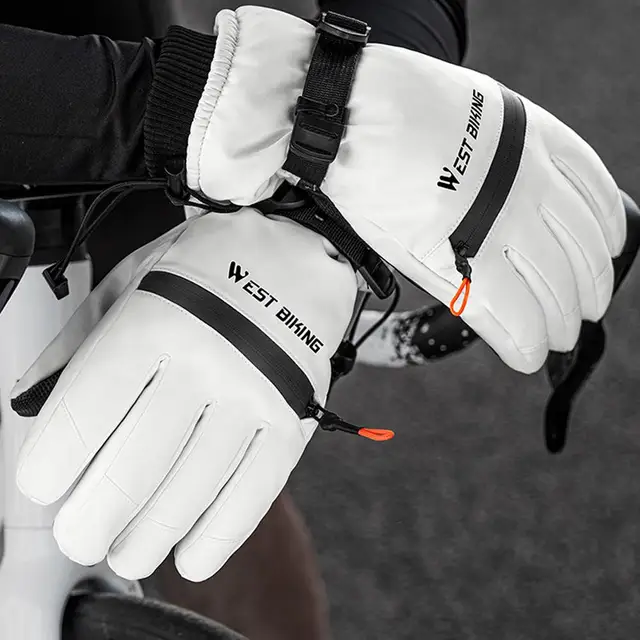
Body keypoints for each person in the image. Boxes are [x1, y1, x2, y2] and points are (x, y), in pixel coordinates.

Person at [1, 0, 625, 637]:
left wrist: (338, 162)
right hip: (147, 123)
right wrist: (245, 105)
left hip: (128, 148)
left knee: (195, 445)